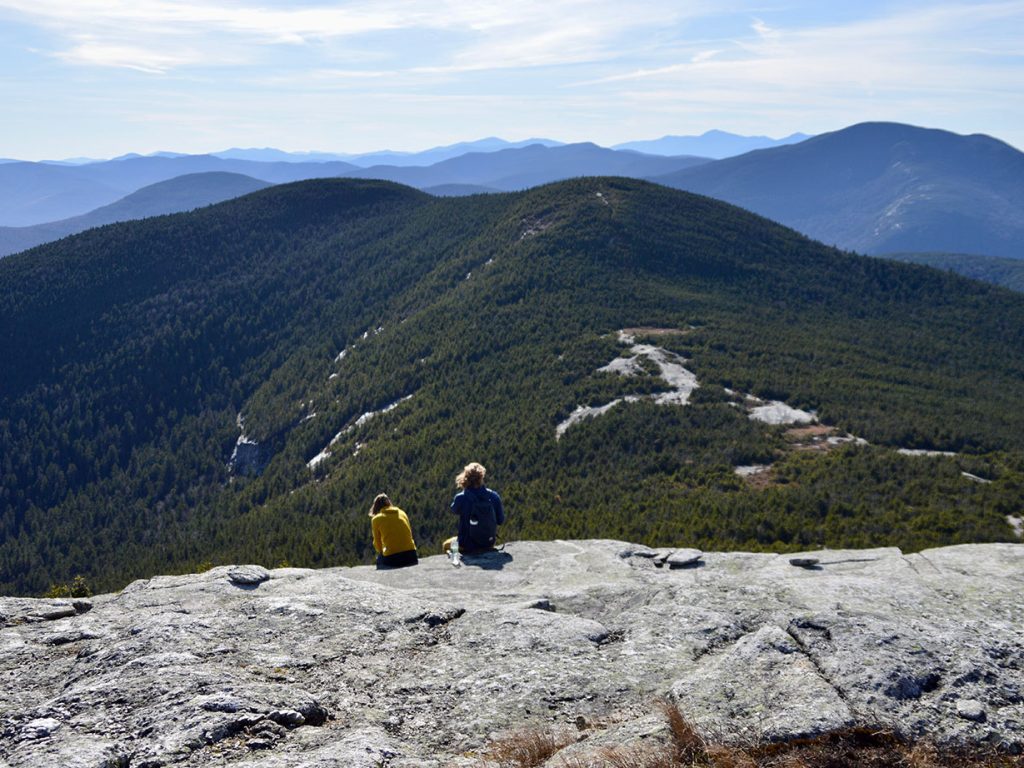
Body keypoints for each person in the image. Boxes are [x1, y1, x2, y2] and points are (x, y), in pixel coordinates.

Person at [444, 462, 504, 556]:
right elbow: (500, 520)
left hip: (466, 544)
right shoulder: (494, 496)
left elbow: (454, 510)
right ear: (482, 477)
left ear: (465, 477)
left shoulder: (461, 497)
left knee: (445, 545)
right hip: (488, 543)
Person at [369, 493, 418, 570]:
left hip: (393, 559)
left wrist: (383, 552)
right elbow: (409, 533)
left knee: (379, 559)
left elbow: (377, 544)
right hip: (412, 556)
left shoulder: (376, 519)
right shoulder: (402, 512)